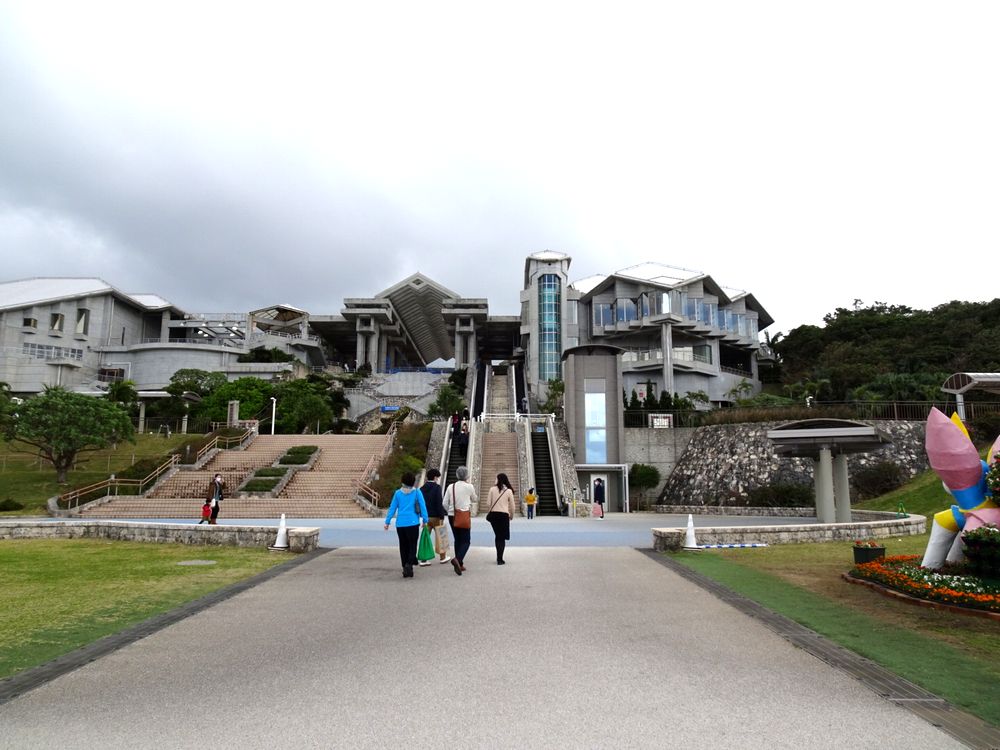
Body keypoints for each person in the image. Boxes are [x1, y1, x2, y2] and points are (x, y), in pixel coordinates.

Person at [383, 471, 428, 578]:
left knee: (403, 546)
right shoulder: (417, 492)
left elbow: (392, 508)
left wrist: (387, 522)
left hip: (400, 524)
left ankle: (404, 566)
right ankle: (409, 565)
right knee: (412, 545)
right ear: (413, 482)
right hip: (413, 523)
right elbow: (423, 506)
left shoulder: (398, 493)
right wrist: (425, 520)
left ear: (402, 481)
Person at [443, 465, 477, 576]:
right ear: (466, 475)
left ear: (457, 475)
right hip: (464, 515)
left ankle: (460, 564)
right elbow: (475, 499)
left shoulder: (450, 487)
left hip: (452, 515)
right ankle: (458, 559)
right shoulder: (469, 487)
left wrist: (450, 510)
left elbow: (444, 503)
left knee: (457, 539)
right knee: (466, 540)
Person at [421, 468, 451, 565]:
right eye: (437, 478)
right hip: (436, 516)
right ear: (434, 477)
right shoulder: (437, 488)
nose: (437, 479)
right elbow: (439, 503)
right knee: (441, 537)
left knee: (426, 537)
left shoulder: (422, 488)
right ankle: (443, 557)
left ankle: (424, 559)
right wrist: (442, 516)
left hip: (426, 517)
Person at [485, 473, 516, 565]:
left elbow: (488, 503)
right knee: (501, 537)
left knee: (498, 535)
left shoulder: (492, 489)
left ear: (498, 479)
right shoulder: (509, 491)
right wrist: (511, 515)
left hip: (494, 515)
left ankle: (498, 558)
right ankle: (500, 559)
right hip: (504, 515)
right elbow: (512, 506)